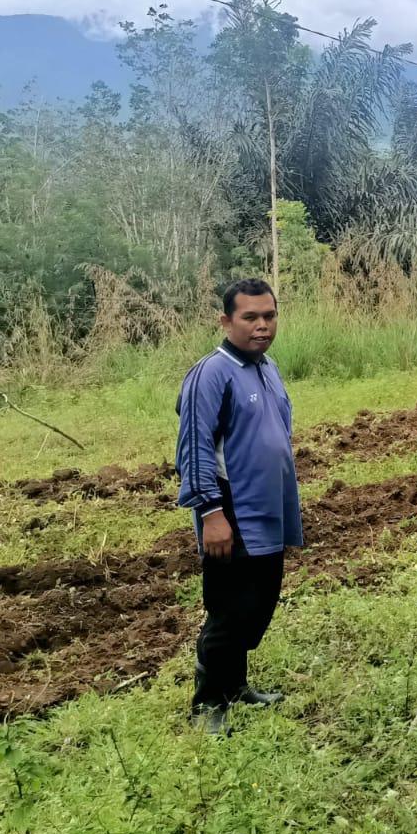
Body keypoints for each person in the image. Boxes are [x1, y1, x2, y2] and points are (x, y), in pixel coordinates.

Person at [176, 278, 302, 734]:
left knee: (259, 602)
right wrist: (211, 514)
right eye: (250, 317)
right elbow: (195, 448)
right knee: (229, 609)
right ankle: (208, 703)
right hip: (231, 509)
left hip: (270, 507)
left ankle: (236, 685)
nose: (262, 326)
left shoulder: (266, 367)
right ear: (226, 321)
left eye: (269, 316)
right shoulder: (210, 374)